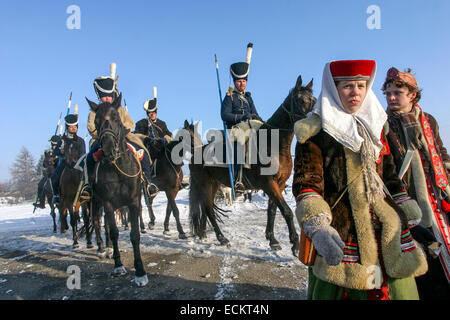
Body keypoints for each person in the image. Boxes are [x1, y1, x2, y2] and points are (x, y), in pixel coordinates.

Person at [292, 60, 428, 300]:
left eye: (360, 85)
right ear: (334, 89)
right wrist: (318, 226)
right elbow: (307, 183)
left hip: (384, 226)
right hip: (343, 230)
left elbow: (388, 175)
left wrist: (403, 201)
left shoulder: (377, 125)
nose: (355, 92)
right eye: (347, 86)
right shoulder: (313, 131)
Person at [382, 67, 450, 299]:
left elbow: (440, 153)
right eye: (388, 93)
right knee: (416, 257)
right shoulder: (381, 124)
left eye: (397, 92)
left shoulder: (428, 120)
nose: (391, 98)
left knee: (441, 252)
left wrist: (446, 181)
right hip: (403, 200)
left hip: (435, 198)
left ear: (412, 94)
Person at [86, 64, 158, 196]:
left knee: (144, 154)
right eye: (104, 96)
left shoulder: (120, 110)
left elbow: (130, 123)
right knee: (89, 158)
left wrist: (123, 131)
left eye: (109, 96)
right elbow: (91, 127)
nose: (107, 98)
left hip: (124, 138)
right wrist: (104, 134)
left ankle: (148, 182)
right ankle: (89, 186)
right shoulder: (95, 110)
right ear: (99, 96)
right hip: (102, 140)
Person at [220, 43, 263, 192]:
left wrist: (263, 123)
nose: (241, 83)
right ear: (234, 82)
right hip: (235, 129)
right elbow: (224, 115)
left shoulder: (249, 98)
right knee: (241, 142)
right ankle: (238, 180)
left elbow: (255, 113)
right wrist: (241, 116)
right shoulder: (229, 97)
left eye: (244, 81)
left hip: (250, 127)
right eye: (239, 81)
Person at [51, 114, 86, 204]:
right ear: (67, 128)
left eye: (75, 126)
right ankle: (56, 195)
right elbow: (55, 153)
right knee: (54, 176)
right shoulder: (62, 140)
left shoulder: (81, 140)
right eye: (71, 127)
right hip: (65, 163)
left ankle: (87, 191)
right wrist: (61, 152)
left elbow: (83, 153)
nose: (73, 128)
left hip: (78, 163)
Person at [33, 135, 61, 208]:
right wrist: (48, 161)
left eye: (55, 145)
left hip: (59, 173)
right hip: (49, 174)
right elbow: (44, 165)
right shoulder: (49, 153)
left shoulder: (60, 152)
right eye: (53, 145)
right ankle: (41, 202)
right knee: (40, 184)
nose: (54, 146)